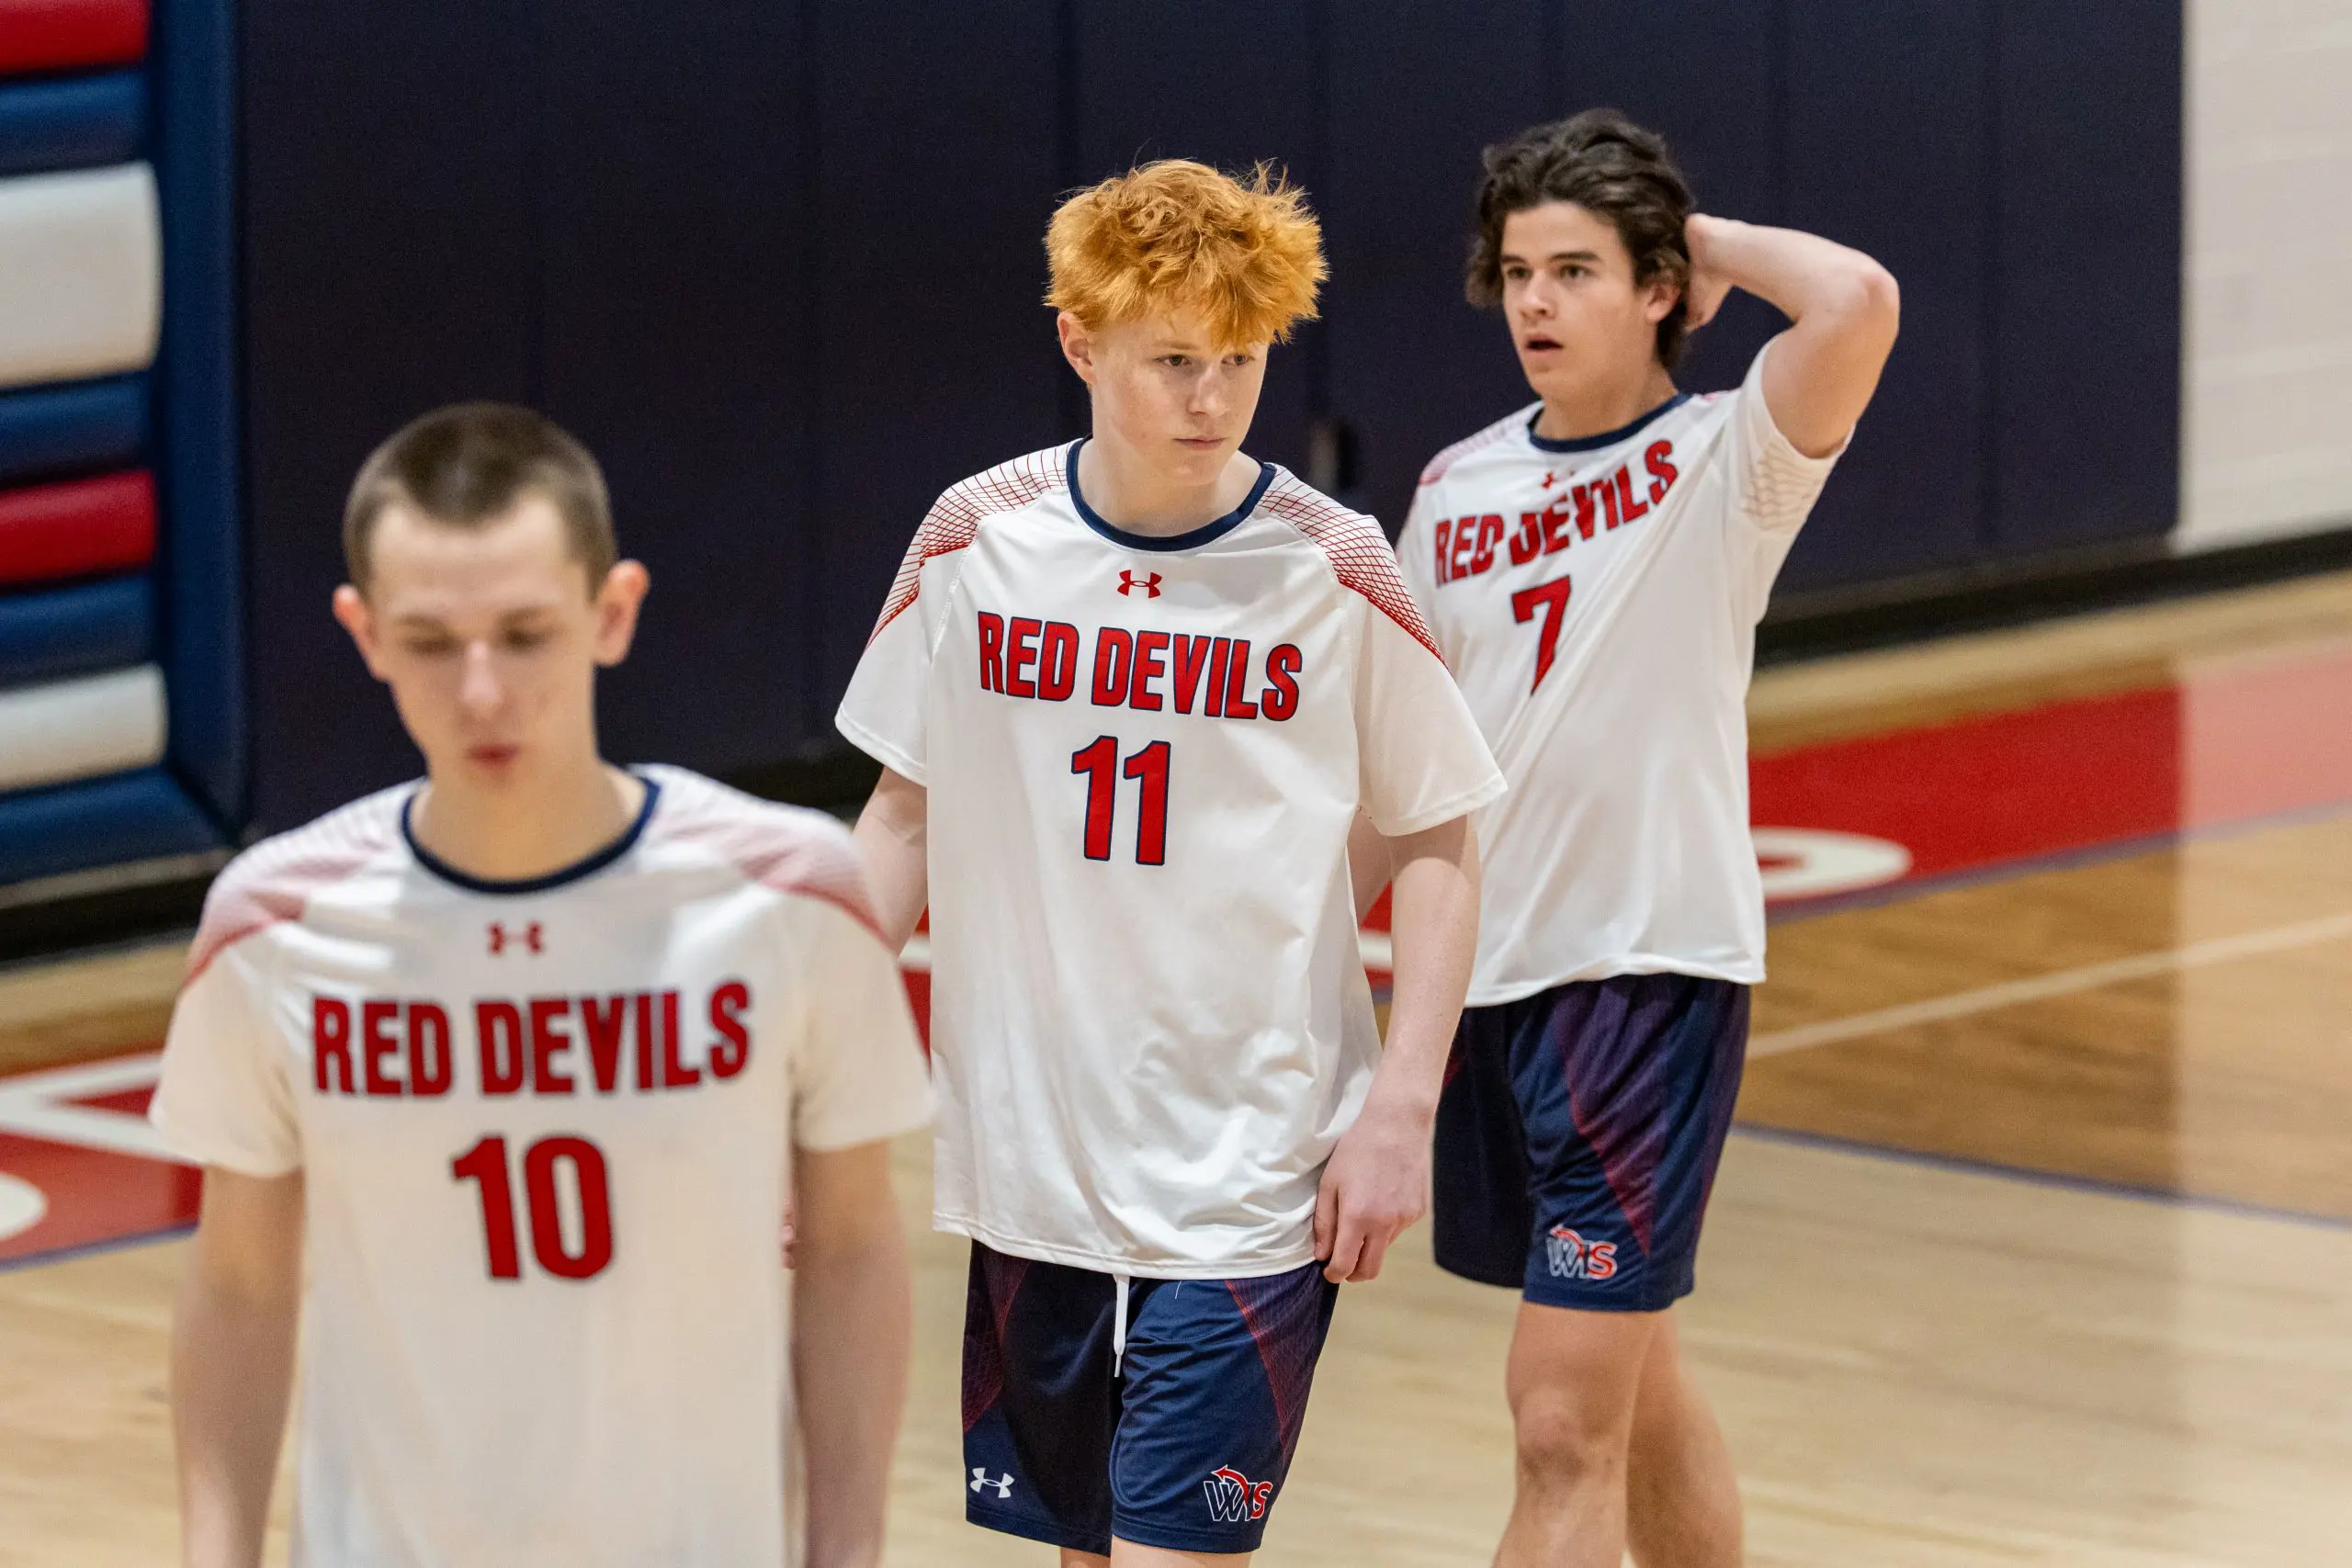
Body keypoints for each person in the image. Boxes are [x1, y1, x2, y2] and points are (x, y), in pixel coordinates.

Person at [839, 160, 1503, 1565]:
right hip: (1034, 1160)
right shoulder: (975, 537)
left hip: (1249, 1167)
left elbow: (1442, 824)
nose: (1212, 399)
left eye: (1243, 361)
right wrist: (801, 1086)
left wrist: (1403, 1100)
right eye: (1174, 360)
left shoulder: (1336, 565)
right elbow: (902, 818)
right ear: (1079, 343)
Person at [153, 404, 933, 1568]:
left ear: (610, 612)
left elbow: (850, 1248)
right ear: (362, 634)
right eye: (429, 642)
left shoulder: (788, 894)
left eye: (524, 634)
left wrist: (846, 1552)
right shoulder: (273, 926)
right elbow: (240, 1287)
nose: (481, 692)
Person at [1387, 111, 1899, 1567]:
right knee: (1633, 1365)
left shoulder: (1724, 455)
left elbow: (1857, 300)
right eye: (1517, 271)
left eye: (1576, 269)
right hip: (1492, 988)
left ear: (1659, 286)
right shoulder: (1453, 483)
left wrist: (1705, 243)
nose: (1535, 301)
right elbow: (1409, 762)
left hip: (1647, 976)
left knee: (1559, 1420)